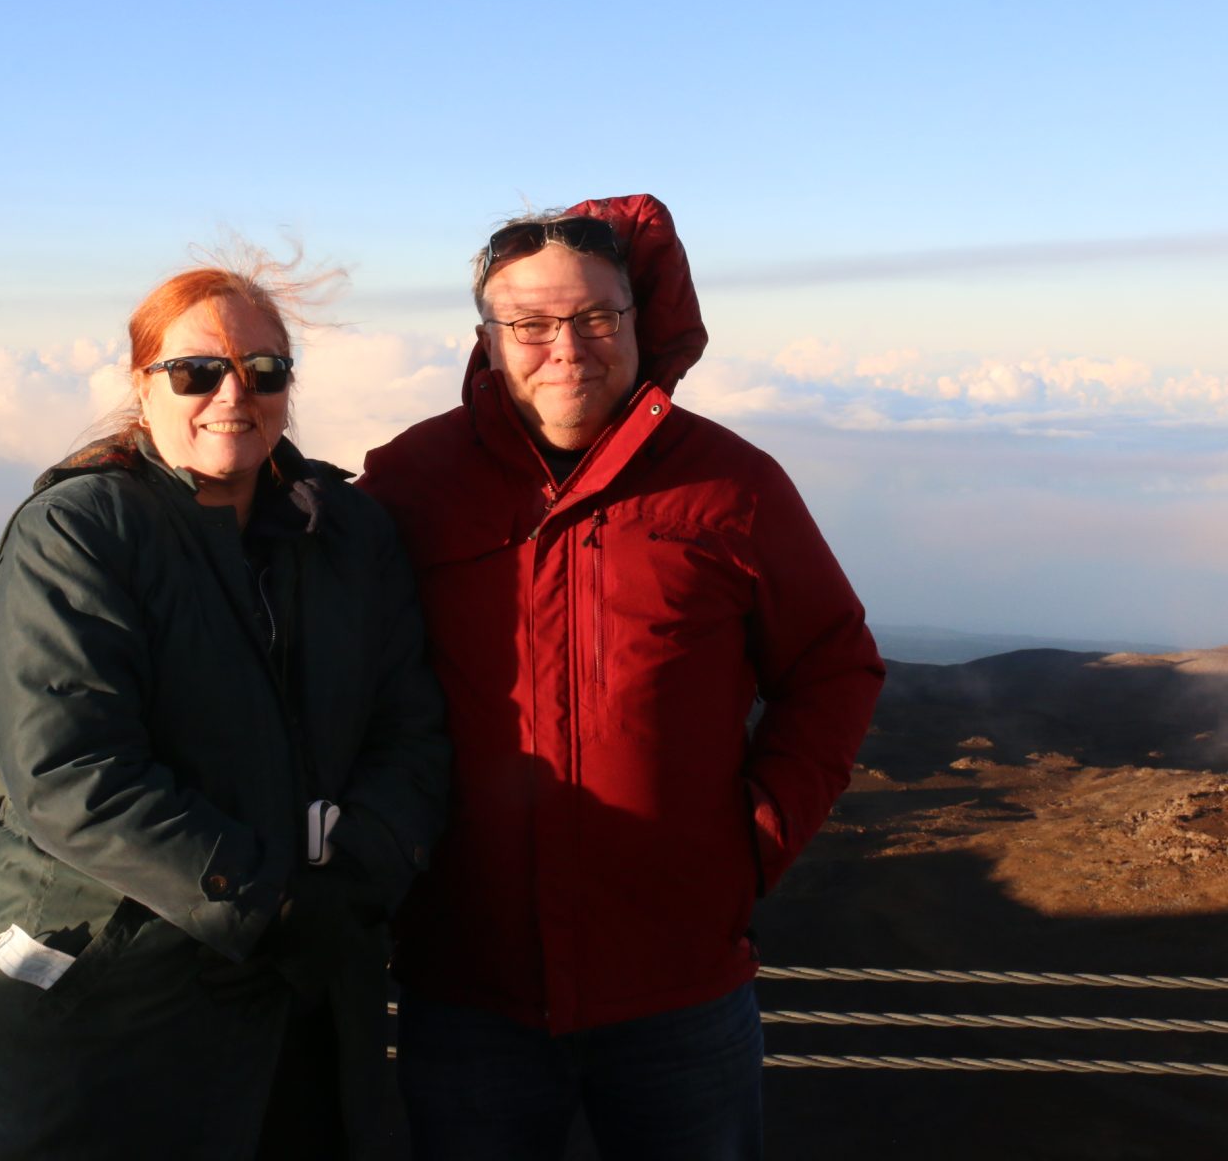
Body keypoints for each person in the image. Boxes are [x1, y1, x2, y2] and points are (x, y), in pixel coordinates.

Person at [358, 193, 885, 1160]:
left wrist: (753, 839)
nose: (567, 346)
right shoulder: (411, 480)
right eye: (529, 323)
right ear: (486, 338)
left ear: (639, 322)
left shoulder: (731, 483)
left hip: (678, 986)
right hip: (466, 984)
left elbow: (834, 664)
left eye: (596, 317)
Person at [0, 255, 450, 1161]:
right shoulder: (79, 532)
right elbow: (72, 773)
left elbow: (413, 730)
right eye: (197, 371)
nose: (233, 394)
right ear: (142, 383)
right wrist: (268, 905)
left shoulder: (347, 534)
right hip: (115, 1014)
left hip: (311, 1015)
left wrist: (360, 876)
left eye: (264, 370)